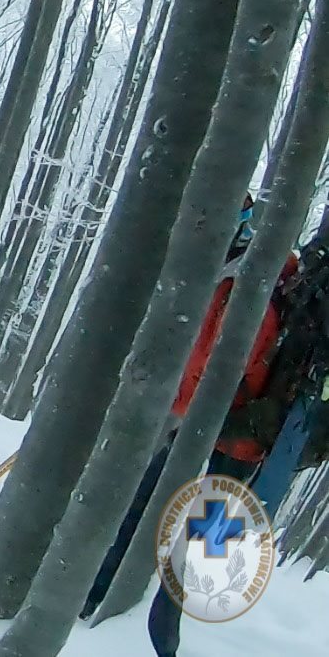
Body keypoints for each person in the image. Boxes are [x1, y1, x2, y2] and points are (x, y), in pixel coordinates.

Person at [79, 196, 303, 655]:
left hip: (227, 426)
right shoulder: (259, 277)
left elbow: (220, 361)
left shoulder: (250, 279)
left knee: (160, 516)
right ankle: (123, 611)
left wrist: (178, 405)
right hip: (243, 431)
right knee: (177, 525)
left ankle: (132, 620)